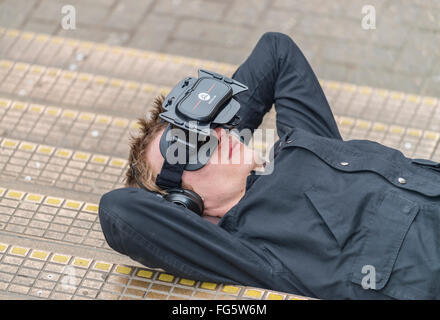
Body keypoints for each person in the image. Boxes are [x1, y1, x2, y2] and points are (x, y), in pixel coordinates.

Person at [99, 32, 440, 300]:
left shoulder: (302, 140)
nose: (217, 135)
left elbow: (276, 51)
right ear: (184, 205)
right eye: (190, 148)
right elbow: (119, 210)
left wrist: (215, 121)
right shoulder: (250, 248)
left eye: (204, 131)